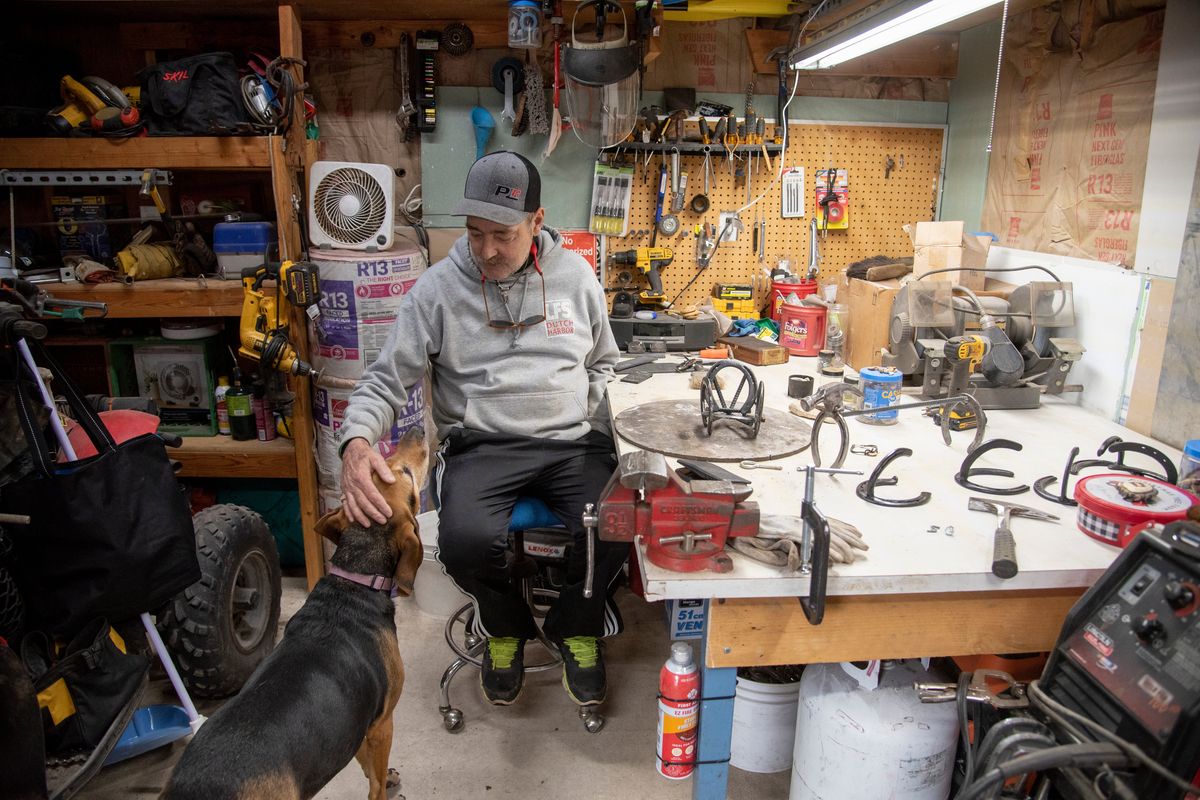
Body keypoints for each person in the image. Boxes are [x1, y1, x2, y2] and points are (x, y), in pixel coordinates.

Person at [337, 151, 626, 708]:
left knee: (616, 521)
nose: (486, 249)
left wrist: (579, 404)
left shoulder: (576, 276)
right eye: (473, 233)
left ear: (536, 223)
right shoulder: (437, 289)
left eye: (503, 235)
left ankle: (576, 624)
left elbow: (606, 362)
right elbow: (384, 379)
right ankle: (506, 625)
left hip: (570, 443)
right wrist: (355, 441)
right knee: (464, 541)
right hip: (484, 446)